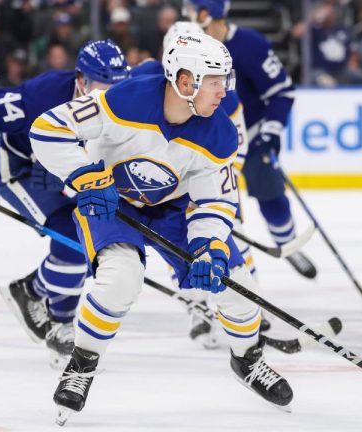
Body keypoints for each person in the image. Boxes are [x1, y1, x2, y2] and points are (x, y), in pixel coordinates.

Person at [31, 33, 293, 424]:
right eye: (215, 82)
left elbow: (215, 201)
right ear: (185, 81)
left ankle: (248, 360)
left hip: (174, 208)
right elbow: (48, 128)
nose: (224, 91)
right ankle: (81, 366)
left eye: (225, 81)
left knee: (236, 282)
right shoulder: (124, 100)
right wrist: (84, 176)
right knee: (121, 277)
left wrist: (209, 246)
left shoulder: (220, 133)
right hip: (111, 202)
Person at [0, 40, 130, 368]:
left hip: (63, 174)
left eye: (118, 87)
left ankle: (41, 302)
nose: (111, 96)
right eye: (103, 86)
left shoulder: (125, 103)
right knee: (74, 239)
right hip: (21, 170)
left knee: (89, 237)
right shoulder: (43, 95)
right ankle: (48, 311)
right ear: (81, 80)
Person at [131, 20, 258, 348]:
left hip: (206, 175)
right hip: (163, 184)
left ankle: (247, 306)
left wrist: (210, 180)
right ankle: (197, 306)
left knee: (227, 238)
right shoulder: (143, 80)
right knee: (178, 247)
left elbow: (236, 147)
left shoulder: (222, 92)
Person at [183, 0, 317, 279]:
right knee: (213, 208)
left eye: (194, 10)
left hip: (250, 135)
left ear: (208, 13)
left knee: (271, 194)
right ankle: (230, 269)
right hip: (204, 140)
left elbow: (281, 91)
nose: (189, 15)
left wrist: (271, 130)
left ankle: (287, 244)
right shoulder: (187, 45)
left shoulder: (249, 44)